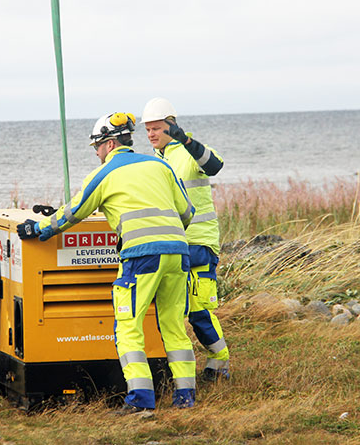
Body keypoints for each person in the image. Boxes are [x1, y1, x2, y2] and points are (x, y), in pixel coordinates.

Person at [16, 112, 197, 414]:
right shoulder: (160, 164)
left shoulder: (106, 173)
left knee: (128, 326)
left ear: (110, 144)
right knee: (174, 325)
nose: (97, 154)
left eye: (97, 147)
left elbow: (72, 213)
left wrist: (38, 229)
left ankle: (140, 401)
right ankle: (186, 398)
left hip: (141, 257)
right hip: (179, 252)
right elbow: (187, 211)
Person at [140, 97, 230, 381]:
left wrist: (187, 141)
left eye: (157, 128)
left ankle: (219, 363)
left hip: (199, 244)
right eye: (147, 130)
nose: (152, 134)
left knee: (199, 310)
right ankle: (178, 371)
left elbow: (214, 165)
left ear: (172, 125)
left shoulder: (189, 153)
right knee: (172, 310)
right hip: (173, 244)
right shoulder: (156, 161)